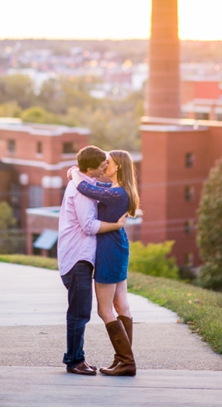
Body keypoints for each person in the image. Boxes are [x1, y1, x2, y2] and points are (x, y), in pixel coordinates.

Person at [57, 145, 127, 376]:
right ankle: (74, 361)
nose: (105, 166)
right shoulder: (81, 192)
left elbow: (103, 187)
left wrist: (74, 172)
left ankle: (77, 359)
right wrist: (116, 225)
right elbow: (89, 226)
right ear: (90, 168)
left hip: (80, 257)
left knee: (81, 311)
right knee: (79, 312)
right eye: (101, 165)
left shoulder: (85, 183)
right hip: (77, 258)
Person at [71, 149, 140, 376]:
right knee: (122, 305)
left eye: (107, 162)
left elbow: (84, 188)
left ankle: (126, 362)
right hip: (118, 246)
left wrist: (75, 172)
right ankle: (123, 360)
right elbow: (95, 188)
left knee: (104, 309)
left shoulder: (117, 194)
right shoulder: (117, 190)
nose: (104, 164)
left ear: (117, 166)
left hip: (109, 250)